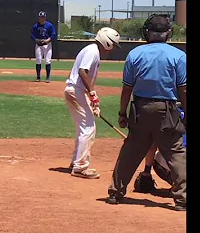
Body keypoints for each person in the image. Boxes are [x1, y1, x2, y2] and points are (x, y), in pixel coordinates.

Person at [105, 14, 187, 211]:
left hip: (140, 109)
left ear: (147, 32)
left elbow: (127, 88)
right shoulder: (178, 56)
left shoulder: (135, 54)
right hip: (167, 109)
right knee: (175, 153)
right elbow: (183, 89)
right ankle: (182, 198)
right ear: (169, 33)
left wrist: (122, 112)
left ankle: (116, 192)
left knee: (131, 151)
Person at [64, 27, 121, 179]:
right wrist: (92, 94)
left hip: (76, 90)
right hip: (76, 90)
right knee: (88, 128)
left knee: (84, 127)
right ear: (107, 42)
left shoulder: (92, 49)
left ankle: (76, 162)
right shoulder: (93, 51)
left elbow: (85, 76)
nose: (113, 48)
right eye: (113, 44)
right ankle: (80, 167)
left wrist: (92, 102)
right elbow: (83, 72)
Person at [134, 104, 186, 194]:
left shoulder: (167, 115)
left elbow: (152, 147)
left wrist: (146, 172)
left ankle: (179, 185)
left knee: (159, 157)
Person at [30, 11, 57, 83]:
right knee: (38, 60)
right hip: (39, 44)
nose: (42, 18)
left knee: (47, 60)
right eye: (41, 17)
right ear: (39, 18)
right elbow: (32, 35)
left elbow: (53, 34)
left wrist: (47, 40)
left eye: (43, 17)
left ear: (45, 17)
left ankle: (48, 77)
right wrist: (36, 40)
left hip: (47, 44)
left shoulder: (49, 25)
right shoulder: (36, 26)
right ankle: (38, 77)